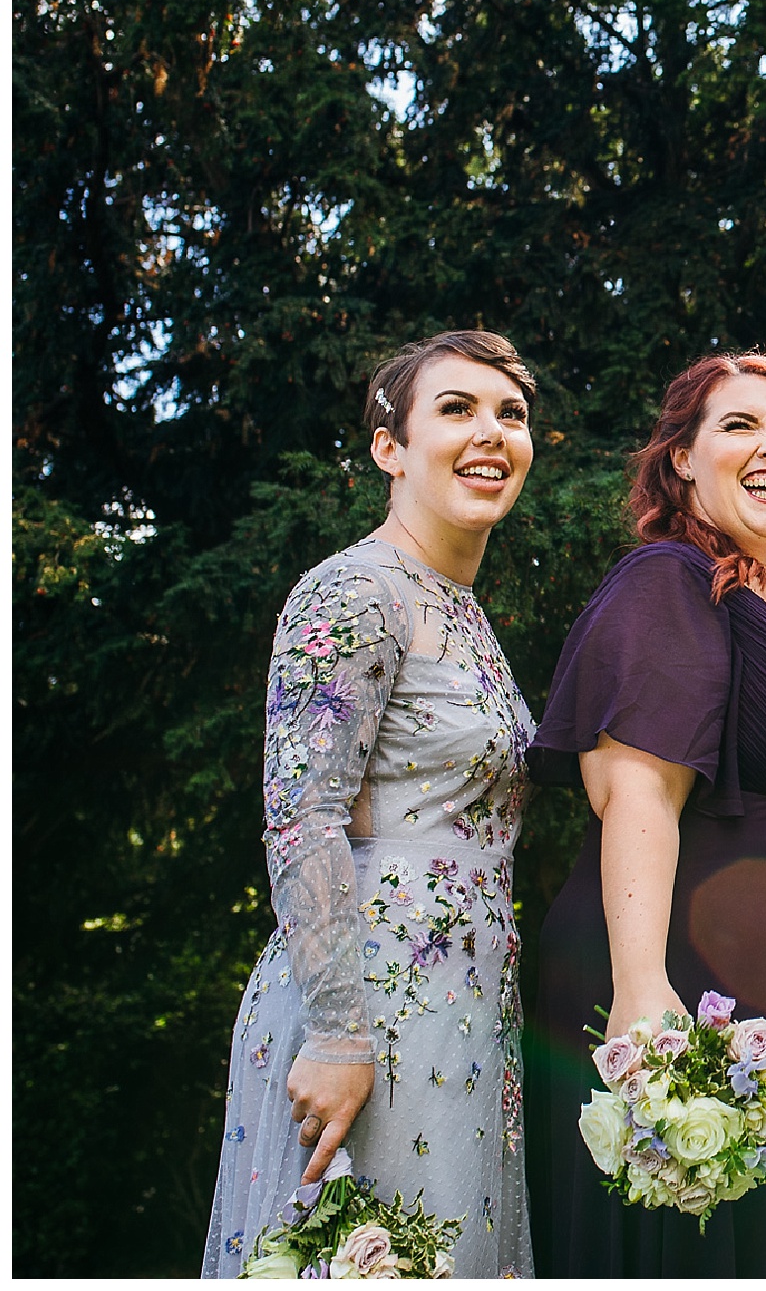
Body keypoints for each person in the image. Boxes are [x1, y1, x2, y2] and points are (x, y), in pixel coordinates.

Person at [523, 353, 766, 1277]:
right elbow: (637, 788)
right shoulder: (667, 579)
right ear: (680, 460)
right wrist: (644, 995)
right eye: (738, 426)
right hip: (704, 1002)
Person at [202, 331, 541, 1278]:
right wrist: (339, 1030)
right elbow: (301, 814)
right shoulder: (354, 591)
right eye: (457, 409)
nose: (492, 433)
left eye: (510, 415)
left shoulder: (462, 609)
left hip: (465, 1005)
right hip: (366, 1005)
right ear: (389, 448)